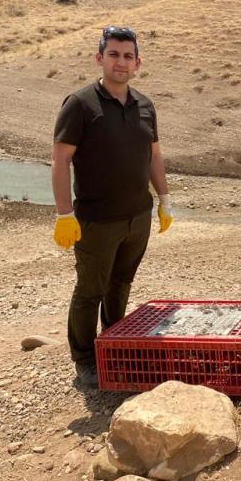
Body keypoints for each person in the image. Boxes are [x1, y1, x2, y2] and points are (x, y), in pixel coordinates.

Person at [51, 26, 173, 388]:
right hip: (96, 221)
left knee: (121, 284)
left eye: (128, 56)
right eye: (114, 54)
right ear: (100, 58)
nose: (121, 62)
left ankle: (114, 344)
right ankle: (85, 360)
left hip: (138, 217)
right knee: (90, 290)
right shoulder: (80, 104)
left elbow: (153, 154)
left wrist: (164, 199)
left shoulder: (145, 105)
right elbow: (60, 160)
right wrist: (63, 214)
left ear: (138, 62)